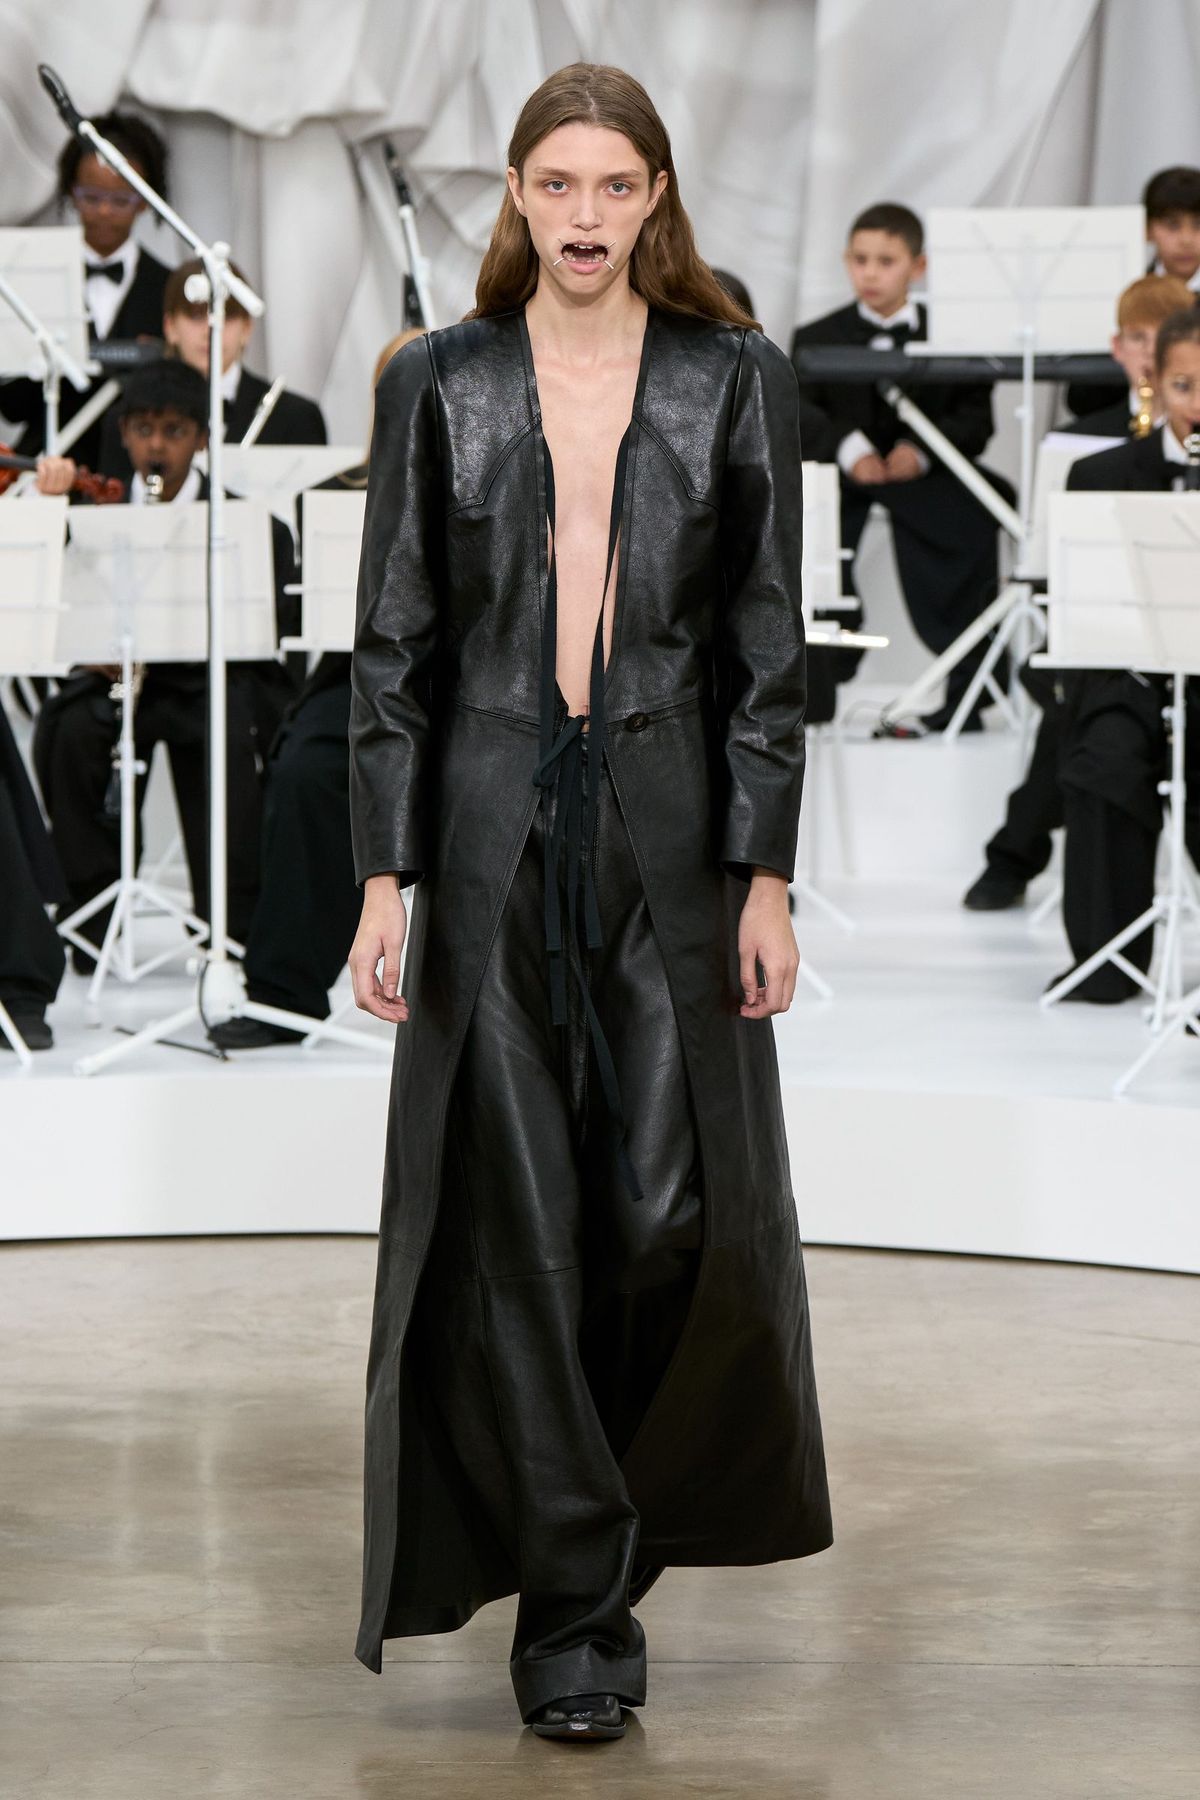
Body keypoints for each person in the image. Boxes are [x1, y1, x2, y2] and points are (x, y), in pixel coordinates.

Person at [346, 62, 832, 1743]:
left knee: (671, 1211)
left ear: (657, 198)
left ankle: (613, 1526)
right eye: (557, 182)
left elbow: (768, 641)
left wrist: (767, 877)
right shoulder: (442, 379)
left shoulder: (731, 376)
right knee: (519, 1226)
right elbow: (393, 647)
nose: (585, 214)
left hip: (670, 835)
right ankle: (577, 1617)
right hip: (491, 829)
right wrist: (385, 879)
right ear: (514, 192)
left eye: (616, 185)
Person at [33, 359, 297, 958]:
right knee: (67, 731)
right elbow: (57, 606)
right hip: (122, 677)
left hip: (207, 679)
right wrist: (90, 646)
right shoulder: (96, 515)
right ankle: (93, 915)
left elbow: (269, 625)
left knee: (230, 734)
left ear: (201, 439)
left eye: (174, 431)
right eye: (144, 430)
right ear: (124, 434)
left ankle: (227, 921)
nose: (156, 446)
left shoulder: (246, 524)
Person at [209, 330, 420, 1050]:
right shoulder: (336, 493)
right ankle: (283, 991)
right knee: (305, 769)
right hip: (361, 673)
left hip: (480, 680)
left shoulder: (505, 472)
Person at [963, 273, 1194, 912]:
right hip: (1117, 640)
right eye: (1139, 339)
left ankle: (1015, 851)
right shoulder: (1089, 438)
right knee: (1088, 710)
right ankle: (1035, 865)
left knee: (1082, 716)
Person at [790, 202, 1011, 733]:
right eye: (860, 259)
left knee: (974, 513)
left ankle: (969, 683)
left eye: (886, 261)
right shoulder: (816, 336)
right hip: (843, 478)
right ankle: (815, 684)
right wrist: (850, 450)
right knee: (808, 525)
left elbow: (975, 417)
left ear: (918, 266)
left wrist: (920, 451)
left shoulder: (956, 333)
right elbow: (799, 409)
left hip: (926, 478)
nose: (870, 273)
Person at [1047, 306, 1200, 1001]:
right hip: (1133, 671)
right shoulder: (1101, 472)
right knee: (1102, 759)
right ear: (1155, 384)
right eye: (1183, 387)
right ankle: (1109, 962)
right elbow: (1085, 600)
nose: (1195, 406)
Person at [0, 112, 172, 472]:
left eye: (121, 200)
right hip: (45, 467)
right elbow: (12, 405)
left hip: (137, 476)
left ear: (145, 200)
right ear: (70, 192)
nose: (104, 211)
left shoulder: (168, 287)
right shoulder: (33, 277)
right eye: (91, 197)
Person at [98, 257, 329, 486]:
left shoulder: (296, 417)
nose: (210, 329)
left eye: (226, 316)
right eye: (196, 315)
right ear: (170, 327)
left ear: (246, 328)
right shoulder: (128, 419)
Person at [1066, 166, 1200, 420]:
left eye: (1197, 224)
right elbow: (1082, 396)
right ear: (1147, 229)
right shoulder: (1121, 293)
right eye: (1172, 225)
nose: (1186, 239)